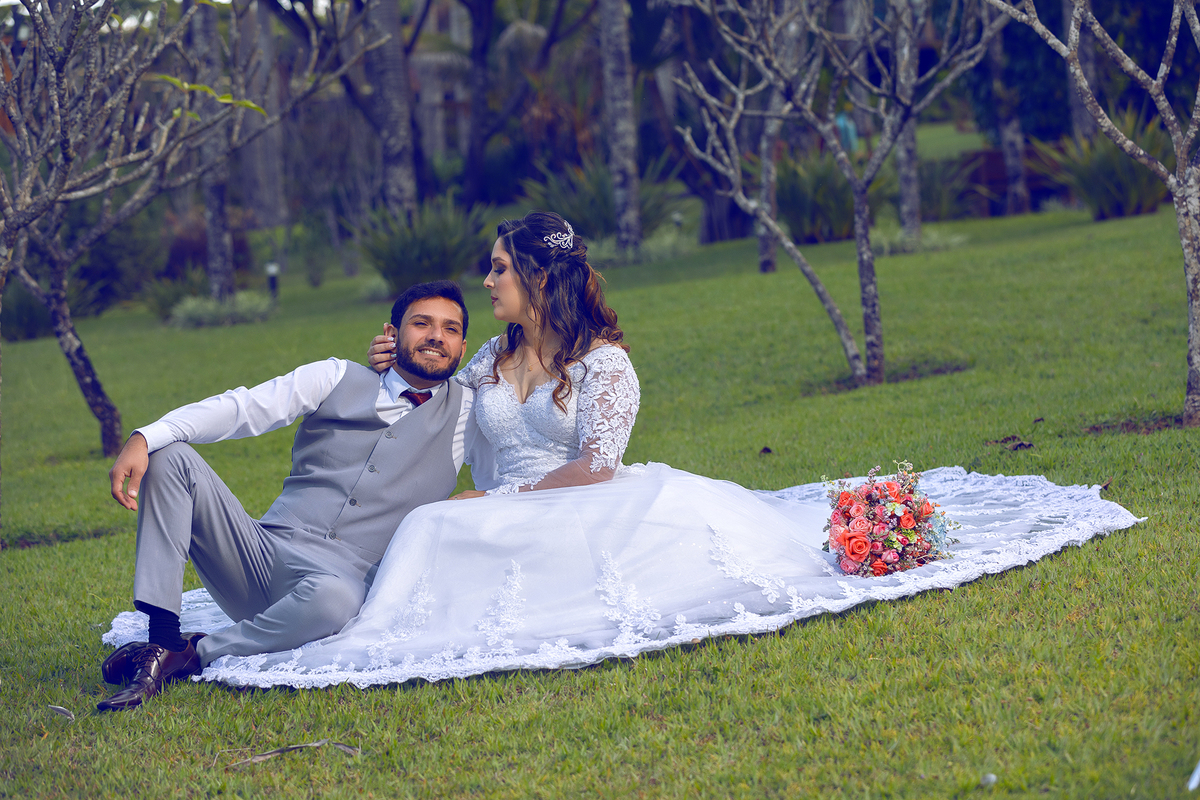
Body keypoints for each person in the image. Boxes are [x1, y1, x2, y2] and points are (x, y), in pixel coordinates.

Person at [104, 212, 1142, 689]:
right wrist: (387, 358)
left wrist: (488, 495)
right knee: (402, 534)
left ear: (535, 279)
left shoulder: (601, 369)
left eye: (496, 273)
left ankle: (192, 654)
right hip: (382, 528)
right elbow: (402, 388)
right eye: (479, 279)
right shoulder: (478, 365)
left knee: (426, 556)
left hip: (568, 502)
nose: (484, 287)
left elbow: (595, 464)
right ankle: (162, 636)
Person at [96, 281, 493, 710]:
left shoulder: (469, 414)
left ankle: (187, 653)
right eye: (422, 323)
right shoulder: (335, 376)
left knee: (336, 601)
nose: (436, 336)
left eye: (450, 329)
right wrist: (146, 436)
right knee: (170, 455)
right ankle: (161, 635)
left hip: (338, 584)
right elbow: (242, 408)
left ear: (463, 346)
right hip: (260, 554)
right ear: (391, 334)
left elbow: (508, 466)